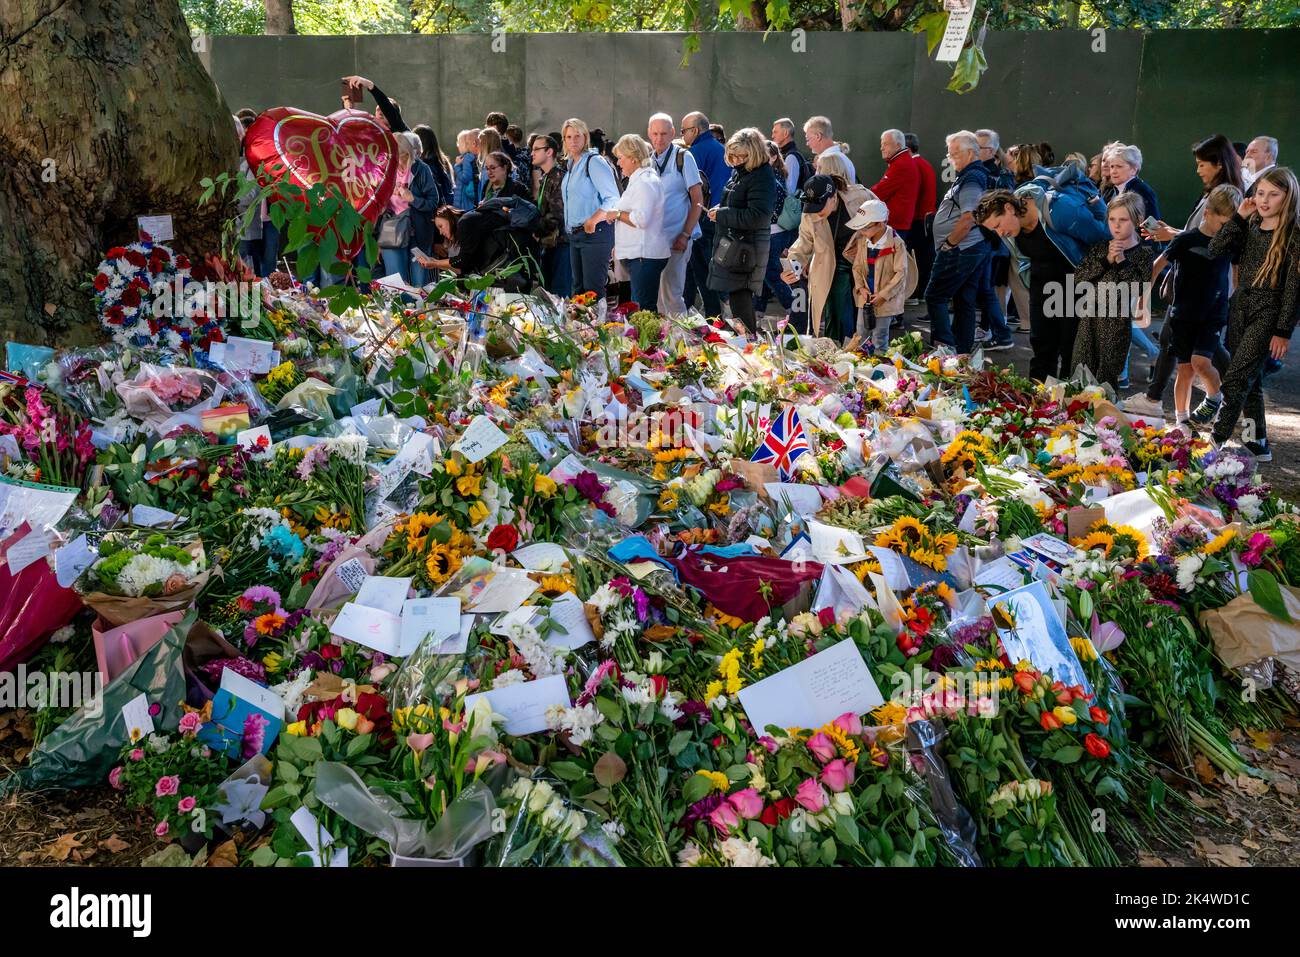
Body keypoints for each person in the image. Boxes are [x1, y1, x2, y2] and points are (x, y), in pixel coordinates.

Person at [1124, 134, 1242, 418]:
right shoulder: (1214, 193)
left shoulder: (1226, 196)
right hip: (1188, 286)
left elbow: (1211, 240)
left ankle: (1161, 398)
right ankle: (1179, 405)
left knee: (1192, 349)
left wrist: (1172, 235)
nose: (1198, 169)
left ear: (1218, 163)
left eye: (1203, 164)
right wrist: (1173, 234)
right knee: (1188, 352)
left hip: (1208, 289)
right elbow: (1197, 234)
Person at [973, 168, 1109, 381]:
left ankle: (1073, 400)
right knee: (1041, 345)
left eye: (998, 225)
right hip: (1041, 285)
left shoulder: (1059, 210)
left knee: (1072, 348)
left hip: (1076, 283)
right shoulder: (1013, 227)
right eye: (994, 230)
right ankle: (1039, 402)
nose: (1000, 234)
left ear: (1009, 207)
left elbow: (1102, 237)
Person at [1208, 167, 1300, 462]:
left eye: (1273, 194)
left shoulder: (1294, 237)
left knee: (1235, 380)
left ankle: (1214, 440)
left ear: (1288, 198)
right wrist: (1238, 216)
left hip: (1268, 313)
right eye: (1260, 193)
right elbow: (1215, 248)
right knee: (1250, 378)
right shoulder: (1250, 225)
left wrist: (1283, 330)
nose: (1264, 200)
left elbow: (1294, 289)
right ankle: (1256, 440)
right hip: (1240, 308)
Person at [1138, 184, 1240, 429]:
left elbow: (1236, 273)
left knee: (1201, 362)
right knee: (1184, 371)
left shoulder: (1230, 242)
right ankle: (1182, 420)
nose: (1225, 231)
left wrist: (1231, 300)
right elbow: (1157, 265)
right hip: (1182, 314)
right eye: (1222, 225)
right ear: (1207, 214)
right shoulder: (1185, 240)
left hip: (1213, 314)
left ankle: (1215, 396)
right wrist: (1142, 298)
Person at [1070, 193, 1156, 389]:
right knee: (1078, 377)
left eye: (1123, 220)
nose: (1116, 225)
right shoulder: (1100, 248)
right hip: (1088, 321)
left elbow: (1137, 287)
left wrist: (1121, 261)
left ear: (1137, 221)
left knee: (1105, 383)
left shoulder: (1144, 254)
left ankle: (1105, 419)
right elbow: (1079, 278)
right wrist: (1106, 260)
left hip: (1116, 325)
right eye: (1112, 219)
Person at [925, 131, 997, 354]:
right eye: (949, 153)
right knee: (964, 299)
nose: (950, 157)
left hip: (963, 248)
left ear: (969, 152)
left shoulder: (972, 177)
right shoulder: (972, 175)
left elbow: (968, 217)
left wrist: (949, 243)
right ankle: (961, 352)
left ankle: (945, 350)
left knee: (935, 295)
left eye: (954, 153)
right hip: (972, 247)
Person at [782, 172, 874, 341]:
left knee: (866, 311)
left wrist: (865, 243)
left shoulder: (859, 196)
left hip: (864, 262)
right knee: (837, 309)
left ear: (833, 197)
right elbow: (804, 241)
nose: (815, 212)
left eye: (819, 206)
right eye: (811, 206)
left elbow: (882, 216)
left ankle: (862, 349)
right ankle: (836, 348)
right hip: (831, 263)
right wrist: (792, 265)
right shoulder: (809, 213)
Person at [706, 128, 779, 333]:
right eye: (733, 155)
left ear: (754, 153)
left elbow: (758, 216)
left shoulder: (761, 176)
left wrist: (722, 214)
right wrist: (721, 211)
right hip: (738, 244)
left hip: (747, 248)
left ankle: (748, 345)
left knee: (741, 296)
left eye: (742, 156)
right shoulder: (742, 172)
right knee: (736, 296)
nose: (736, 160)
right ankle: (744, 343)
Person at [601, 134, 671, 310]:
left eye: (620, 158)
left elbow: (640, 219)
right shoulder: (638, 180)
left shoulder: (645, 182)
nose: (618, 163)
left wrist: (616, 214)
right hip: (638, 255)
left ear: (633, 158)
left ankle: (650, 339)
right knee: (639, 307)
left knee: (643, 308)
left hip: (645, 256)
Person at [647, 113, 704, 316]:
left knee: (672, 294)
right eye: (655, 133)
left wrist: (685, 235)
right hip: (655, 239)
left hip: (678, 237)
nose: (659, 138)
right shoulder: (648, 161)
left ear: (672, 133)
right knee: (657, 296)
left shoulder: (683, 157)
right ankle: (664, 342)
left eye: (664, 133)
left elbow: (697, 200)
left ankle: (683, 339)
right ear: (649, 134)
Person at [560, 117, 621, 301]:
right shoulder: (571, 164)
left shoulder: (594, 161)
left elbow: (612, 198)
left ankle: (597, 330)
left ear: (585, 137)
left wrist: (593, 219)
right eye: (568, 137)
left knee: (592, 292)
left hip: (595, 234)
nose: (573, 141)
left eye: (577, 136)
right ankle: (580, 330)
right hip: (575, 235)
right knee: (578, 291)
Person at [844, 199, 914, 352]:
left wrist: (884, 294)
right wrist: (860, 288)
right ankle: (860, 366)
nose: (862, 231)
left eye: (866, 227)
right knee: (860, 334)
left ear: (880, 224)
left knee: (880, 337)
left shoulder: (896, 243)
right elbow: (857, 267)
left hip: (884, 301)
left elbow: (901, 273)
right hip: (865, 298)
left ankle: (879, 368)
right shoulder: (863, 240)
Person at [682, 111, 729, 317]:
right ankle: (688, 310)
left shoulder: (695, 152)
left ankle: (712, 316)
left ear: (695, 130)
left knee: (700, 270)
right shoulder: (721, 149)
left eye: (684, 131)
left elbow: (687, 188)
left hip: (702, 218)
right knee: (697, 269)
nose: (682, 135)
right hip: (720, 217)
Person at [379, 131, 439, 285]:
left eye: (403, 157)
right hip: (393, 231)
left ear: (409, 153)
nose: (399, 162)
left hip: (417, 234)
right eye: (395, 158)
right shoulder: (384, 169)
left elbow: (433, 202)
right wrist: (385, 199)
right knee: (396, 282)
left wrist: (413, 199)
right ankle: (398, 309)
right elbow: (376, 204)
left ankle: (421, 309)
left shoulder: (421, 169)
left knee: (420, 283)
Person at [755, 140, 795, 320]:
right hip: (776, 231)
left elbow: (770, 207)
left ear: (772, 157)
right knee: (764, 272)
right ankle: (758, 311)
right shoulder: (777, 174)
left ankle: (792, 307)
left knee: (770, 272)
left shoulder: (771, 177)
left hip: (773, 232)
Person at [530, 133, 570, 297]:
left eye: (536, 149)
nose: (532, 153)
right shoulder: (546, 177)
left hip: (560, 243)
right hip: (548, 243)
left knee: (559, 294)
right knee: (547, 292)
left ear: (549, 152)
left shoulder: (559, 177)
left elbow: (557, 215)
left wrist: (534, 228)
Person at [905, 132, 937, 304]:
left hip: (916, 220)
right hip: (927, 219)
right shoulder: (924, 164)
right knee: (926, 258)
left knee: (910, 259)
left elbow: (913, 194)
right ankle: (922, 293)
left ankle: (912, 293)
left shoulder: (913, 165)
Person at [870, 129, 920, 235]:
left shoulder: (901, 164)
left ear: (897, 146)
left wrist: (859, 195)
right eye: (881, 144)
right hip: (897, 223)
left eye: (885, 144)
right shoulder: (901, 161)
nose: (881, 148)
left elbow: (879, 192)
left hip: (895, 224)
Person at [1100, 143, 1160, 223]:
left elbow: (1152, 227)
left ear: (1134, 170)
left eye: (1119, 166)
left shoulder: (1142, 191)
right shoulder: (1112, 190)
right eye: (1112, 166)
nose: (1113, 171)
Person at [233, 116, 262, 274]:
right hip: (231, 233)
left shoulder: (251, 161)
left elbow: (252, 195)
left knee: (249, 280)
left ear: (240, 136)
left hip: (247, 232)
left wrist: (228, 201)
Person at [803, 116, 855, 185]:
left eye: (808, 139)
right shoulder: (840, 157)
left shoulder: (830, 160)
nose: (807, 144)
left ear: (818, 136)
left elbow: (829, 193)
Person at [772, 118, 812, 191]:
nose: (772, 136)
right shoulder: (788, 155)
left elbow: (789, 190)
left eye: (775, 132)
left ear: (786, 133)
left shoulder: (791, 157)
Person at [453, 130, 480, 210]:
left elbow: (466, 178)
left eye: (459, 143)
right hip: (464, 200)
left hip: (465, 202)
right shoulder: (467, 157)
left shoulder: (467, 157)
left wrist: (457, 166)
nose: (458, 146)